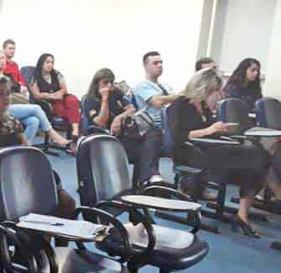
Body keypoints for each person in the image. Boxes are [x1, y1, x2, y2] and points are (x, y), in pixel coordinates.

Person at [170, 68, 276, 238]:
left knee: (259, 156)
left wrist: (221, 130)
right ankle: (248, 212)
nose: (218, 95)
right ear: (203, 88)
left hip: (210, 149)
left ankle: (243, 214)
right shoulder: (180, 104)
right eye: (215, 91)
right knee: (256, 159)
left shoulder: (204, 106)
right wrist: (209, 130)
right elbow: (178, 136)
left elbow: (211, 132)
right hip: (190, 153)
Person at [0, 75, 76, 218]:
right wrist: (9, 170)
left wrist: (25, 169)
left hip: (18, 173)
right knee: (35, 203)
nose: (6, 98)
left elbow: (27, 150)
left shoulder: (12, 121)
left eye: (7, 93)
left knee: (66, 202)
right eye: (0, 94)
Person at [82, 68, 164, 185]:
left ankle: (146, 179)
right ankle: (148, 178)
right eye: (105, 83)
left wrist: (118, 118)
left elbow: (131, 109)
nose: (109, 86)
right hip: (106, 140)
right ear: (97, 84)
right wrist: (105, 99)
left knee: (154, 133)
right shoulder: (89, 99)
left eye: (111, 82)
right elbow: (101, 122)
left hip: (125, 135)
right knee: (146, 149)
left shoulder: (116, 93)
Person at [0, 50, 71, 148]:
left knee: (34, 121)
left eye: (3, 58)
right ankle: (53, 135)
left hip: (10, 105)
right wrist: (17, 88)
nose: (2, 61)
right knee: (36, 108)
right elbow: (12, 89)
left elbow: (18, 87)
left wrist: (17, 88)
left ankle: (23, 149)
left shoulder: (7, 75)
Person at [29, 53, 82, 139]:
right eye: (47, 62)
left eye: (52, 62)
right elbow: (37, 95)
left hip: (60, 97)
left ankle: (75, 131)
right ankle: (75, 130)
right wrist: (51, 96)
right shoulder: (34, 77)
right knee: (66, 109)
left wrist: (58, 94)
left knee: (73, 99)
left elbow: (64, 90)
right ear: (41, 63)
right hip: (49, 102)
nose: (50, 65)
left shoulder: (57, 74)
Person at [134, 51, 181, 131]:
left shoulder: (166, 85)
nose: (160, 65)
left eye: (161, 62)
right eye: (155, 63)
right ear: (145, 66)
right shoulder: (142, 86)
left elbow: (176, 101)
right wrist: (179, 96)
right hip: (156, 128)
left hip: (173, 123)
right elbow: (158, 102)